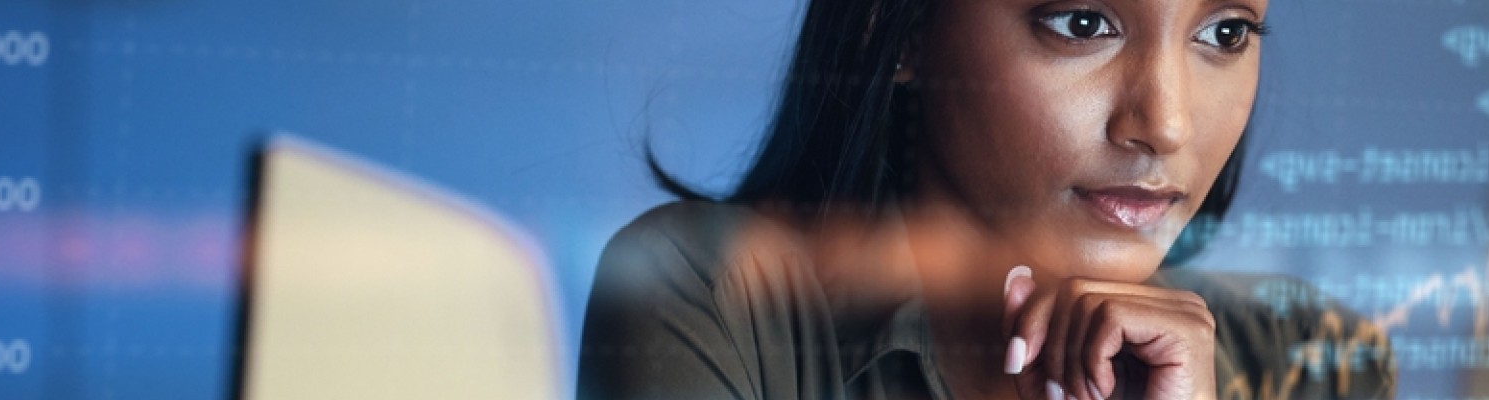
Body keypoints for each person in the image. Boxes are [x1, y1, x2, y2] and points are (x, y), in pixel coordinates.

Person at [578, 0, 1394, 398]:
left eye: (1224, 33)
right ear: (892, 32)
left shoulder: (1316, 363)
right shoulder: (714, 298)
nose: (1167, 124)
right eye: (1082, 22)